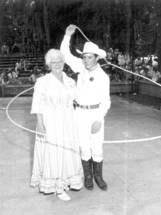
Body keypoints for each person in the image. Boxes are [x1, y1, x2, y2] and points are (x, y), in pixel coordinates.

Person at [60, 25, 111, 191]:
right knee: (83, 145)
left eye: (90, 57)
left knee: (96, 145)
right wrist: (67, 36)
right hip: (79, 113)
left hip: (95, 113)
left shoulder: (103, 77)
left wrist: (99, 119)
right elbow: (65, 55)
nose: (86, 60)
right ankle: (87, 176)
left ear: (96, 58)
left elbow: (106, 100)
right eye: (84, 57)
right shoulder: (80, 68)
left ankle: (98, 176)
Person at [30, 49, 83, 201]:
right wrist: (40, 124)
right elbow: (37, 104)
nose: (57, 64)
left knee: (68, 151)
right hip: (51, 122)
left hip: (69, 121)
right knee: (55, 153)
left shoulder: (70, 81)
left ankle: (66, 182)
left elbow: (78, 99)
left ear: (64, 62)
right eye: (53, 62)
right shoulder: (42, 82)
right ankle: (57, 187)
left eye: (59, 61)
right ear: (48, 64)